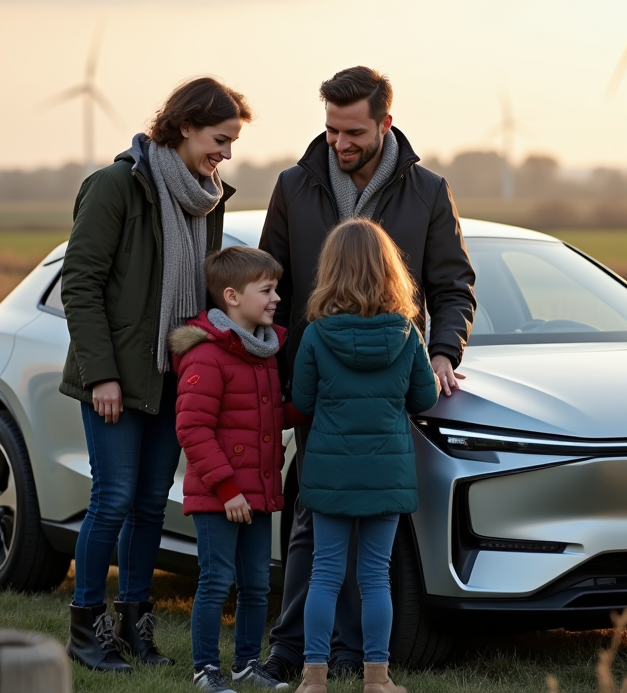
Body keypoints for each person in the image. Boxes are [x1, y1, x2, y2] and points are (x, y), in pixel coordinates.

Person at [258, 66, 476, 682]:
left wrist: (441, 353)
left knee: (359, 546)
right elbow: (270, 287)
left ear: (385, 122)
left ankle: (351, 659)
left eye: (353, 130)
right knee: (310, 529)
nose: (339, 142)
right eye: (330, 129)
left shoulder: (428, 191)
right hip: (315, 384)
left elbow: (453, 285)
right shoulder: (293, 186)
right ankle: (293, 650)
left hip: (386, 384)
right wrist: (271, 372)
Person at [59, 77, 249, 672]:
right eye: (220, 138)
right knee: (112, 499)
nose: (226, 152)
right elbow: (81, 285)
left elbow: (203, 295)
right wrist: (101, 375)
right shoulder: (116, 186)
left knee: (149, 506)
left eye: (233, 142)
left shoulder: (207, 198)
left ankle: (136, 627)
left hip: (177, 376)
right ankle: (87, 631)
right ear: (186, 125)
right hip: (116, 376)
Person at [291, 219, 440, 693]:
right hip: (387, 473)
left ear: (330, 270)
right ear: (389, 270)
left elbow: (303, 400)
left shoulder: (315, 336)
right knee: (376, 576)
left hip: (330, 472)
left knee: (325, 573)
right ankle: (377, 679)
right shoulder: (405, 334)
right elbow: (424, 400)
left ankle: (314, 678)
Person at [170, 246, 294, 692]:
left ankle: (246, 665)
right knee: (216, 581)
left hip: (258, 493)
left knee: (258, 584)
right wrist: (227, 489)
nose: (276, 297)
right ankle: (206, 670)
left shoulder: (263, 352)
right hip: (220, 496)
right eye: (267, 289)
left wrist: (318, 405)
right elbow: (192, 428)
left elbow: (268, 416)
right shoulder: (208, 356)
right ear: (232, 297)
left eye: (276, 288)